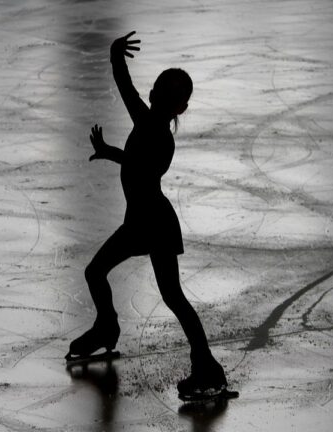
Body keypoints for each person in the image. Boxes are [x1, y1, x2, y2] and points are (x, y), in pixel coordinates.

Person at [66, 31, 229, 399]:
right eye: (157, 87)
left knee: (170, 296)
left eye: (165, 94)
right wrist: (111, 152)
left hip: (152, 223)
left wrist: (115, 57)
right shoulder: (148, 121)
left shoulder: (156, 131)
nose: (154, 94)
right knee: (100, 274)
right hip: (143, 220)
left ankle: (207, 367)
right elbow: (128, 97)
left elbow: (141, 158)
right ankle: (107, 327)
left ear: (178, 108)